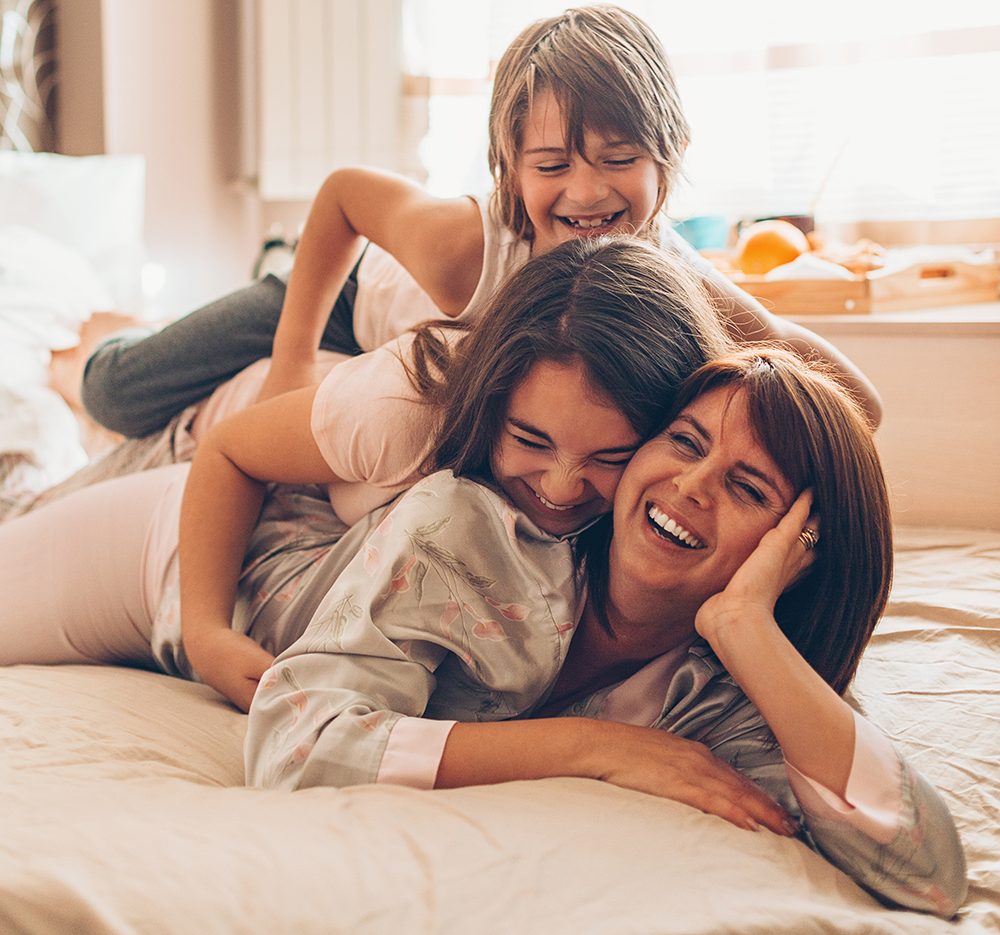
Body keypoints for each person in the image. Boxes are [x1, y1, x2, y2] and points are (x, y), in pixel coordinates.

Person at [243, 346, 966, 918]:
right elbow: (293, 744)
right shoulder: (462, 529)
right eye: (684, 441)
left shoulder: (724, 699)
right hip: (207, 555)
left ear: (798, 555)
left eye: (749, 489)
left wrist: (747, 627)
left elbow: (930, 878)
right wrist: (597, 749)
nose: (691, 485)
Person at [78, 4, 882, 438]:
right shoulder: (462, 246)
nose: (586, 193)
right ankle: (96, 336)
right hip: (351, 298)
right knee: (115, 394)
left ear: (666, 160)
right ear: (509, 170)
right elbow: (343, 196)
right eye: (552, 166)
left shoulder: (673, 276)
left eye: (616, 158)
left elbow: (853, 396)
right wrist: (291, 363)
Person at [0, 236, 730, 705]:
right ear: (490, 400)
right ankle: (64, 370)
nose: (564, 488)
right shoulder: (413, 401)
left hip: (309, 520)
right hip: (179, 517)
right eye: (529, 439)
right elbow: (228, 453)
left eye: (610, 457)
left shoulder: (677, 497)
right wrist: (206, 632)